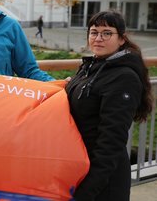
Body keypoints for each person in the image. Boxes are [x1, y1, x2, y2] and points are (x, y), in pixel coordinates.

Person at [65, 10, 153, 200]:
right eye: (94, 32)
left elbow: (111, 142)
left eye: (107, 33)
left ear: (121, 39)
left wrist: (87, 190)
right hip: (81, 167)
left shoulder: (124, 78)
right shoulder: (91, 67)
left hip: (103, 181)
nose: (98, 38)